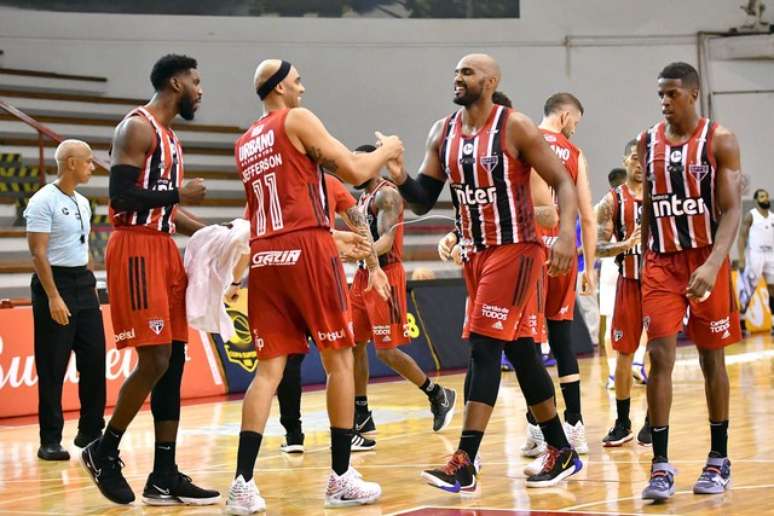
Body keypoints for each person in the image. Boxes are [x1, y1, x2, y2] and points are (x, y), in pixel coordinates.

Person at [388, 53, 581, 491]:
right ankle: (560, 449)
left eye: (468, 72)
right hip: (476, 255)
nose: (458, 77)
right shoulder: (443, 132)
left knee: (483, 347)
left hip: (515, 249)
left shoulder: (516, 127)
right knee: (522, 353)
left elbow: (563, 181)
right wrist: (400, 176)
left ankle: (465, 460)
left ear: (491, 81)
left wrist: (567, 235)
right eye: (455, 71)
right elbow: (421, 199)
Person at [225, 59, 402, 513]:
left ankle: (242, 484)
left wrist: (329, 236)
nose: (304, 87)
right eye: (298, 80)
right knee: (339, 361)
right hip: (305, 254)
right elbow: (356, 170)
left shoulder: (244, 142)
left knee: (267, 372)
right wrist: (387, 150)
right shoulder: (296, 119)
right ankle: (341, 477)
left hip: (266, 253)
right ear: (281, 86)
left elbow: (274, 210)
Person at [81, 54, 220, 506]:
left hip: (162, 248)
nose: (201, 90)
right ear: (176, 82)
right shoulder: (136, 127)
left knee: (174, 362)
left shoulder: (171, 138)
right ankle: (103, 450)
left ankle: (164, 474)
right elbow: (121, 196)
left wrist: (217, 236)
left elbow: (167, 210)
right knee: (156, 360)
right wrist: (180, 192)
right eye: (196, 81)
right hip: (136, 248)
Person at [638, 62, 742, 500]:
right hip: (662, 262)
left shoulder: (719, 139)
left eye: (673, 94)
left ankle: (719, 458)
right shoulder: (648, 141)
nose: (665, 101)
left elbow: (732, 209)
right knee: (659, 356)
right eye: (661, 94)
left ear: (694, 94)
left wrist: (715, 264)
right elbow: (647, 202)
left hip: (705, 259)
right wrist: (641, 261)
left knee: (710, 360)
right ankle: (660, 465)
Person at [350, 145, 456, 440]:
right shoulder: (362, 197)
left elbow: (386, 240)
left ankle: (437, 394)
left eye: (358, 162)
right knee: (354, 345)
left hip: (386, 275)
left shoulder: (388, 194)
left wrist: (357, 249)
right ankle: (362, 414)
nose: (352, 169)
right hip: (364, 274)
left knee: (385, 351)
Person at [520, 93, 597, 466]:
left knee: (530, 347)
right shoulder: (575, 154)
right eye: (576, 123)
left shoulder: (524, 139)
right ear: (565, 116)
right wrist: (590, 267)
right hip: (565, 256)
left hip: (530, 255)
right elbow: (589, 217)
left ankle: (538, 426)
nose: (574, 129)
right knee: (563, 341)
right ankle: (576, 423)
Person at [25, 140, 105, 461]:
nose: (93, 166)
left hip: (83, 285)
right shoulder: (42, 201)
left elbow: (81, 245)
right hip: (53, 283)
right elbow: (37, 253)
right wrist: (53, 296)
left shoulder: (84, 202)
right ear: (71, 163)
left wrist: (90, 279)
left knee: (95, 359)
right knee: (52, 365)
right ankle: (50, 439)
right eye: (88, 161)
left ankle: (90, 431)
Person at [596, 138, 651, 447]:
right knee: (624, 353)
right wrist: (625, 245)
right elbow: (597, 246)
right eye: (634, 157)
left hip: (660, 285)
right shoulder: (613, 200)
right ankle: (622, 421)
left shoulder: (662, 197)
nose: (640, 163)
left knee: (659, 352)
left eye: (645, 158)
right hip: (629, 282)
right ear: (626, 161)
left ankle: (654, 418)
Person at [737, 188, 774, 332]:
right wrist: (741, 258)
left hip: (771, 254)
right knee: (748, 290)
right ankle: (742, 322)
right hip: (755, 255)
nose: (765, 198)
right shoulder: (750, 215)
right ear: (756, 200)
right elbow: (742, 236)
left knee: (772, 288)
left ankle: (772, 323)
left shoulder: (772, 217)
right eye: (762, 196)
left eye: (766, 196)